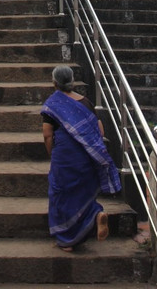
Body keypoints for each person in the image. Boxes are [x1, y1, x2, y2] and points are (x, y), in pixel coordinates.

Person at [41, 64, 121, 252]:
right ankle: (95, 213)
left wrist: (52, 154)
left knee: (61, 193)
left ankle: (67, 240)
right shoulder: (85, 102)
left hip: (65, 155)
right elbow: (99, 129)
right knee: (83, 191)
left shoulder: (53, 105)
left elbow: (47, 134)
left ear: (54, 83)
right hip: (86, 154)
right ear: (72, 81)